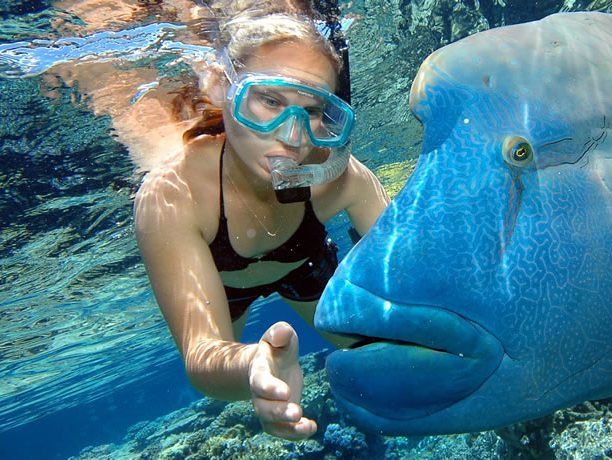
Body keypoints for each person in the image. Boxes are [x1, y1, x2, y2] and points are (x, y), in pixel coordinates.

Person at [133, 1, 389, 440]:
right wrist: (253, 365)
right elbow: (202, 358)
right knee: (228, 391)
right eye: (270, 99)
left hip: (303, 266)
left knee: (370, 347)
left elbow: (411, 266)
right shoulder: (175, 195)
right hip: (226, 291)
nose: (293, 137)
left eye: (311, 111)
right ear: (219, 86)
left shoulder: (338, 177)